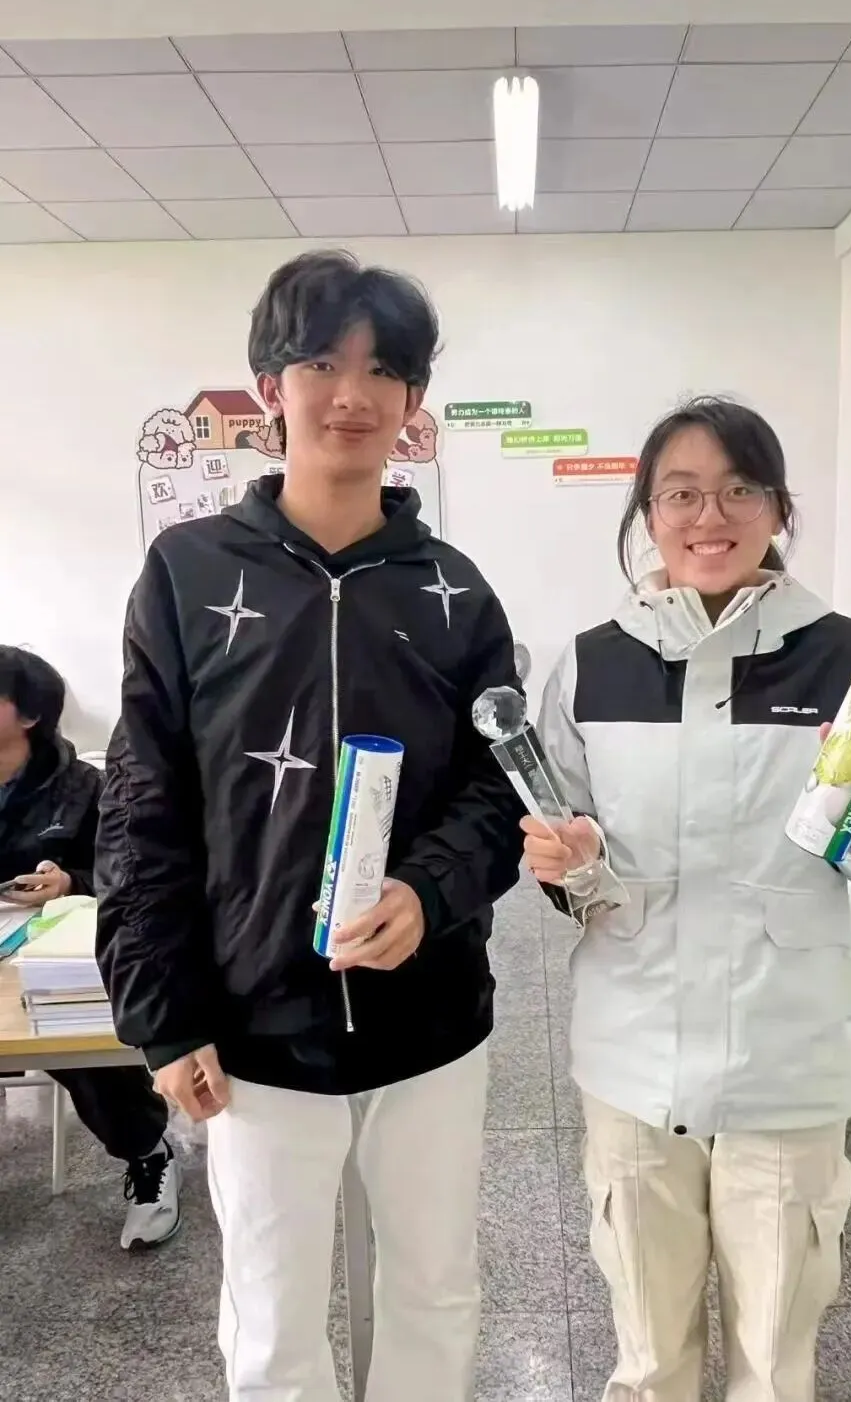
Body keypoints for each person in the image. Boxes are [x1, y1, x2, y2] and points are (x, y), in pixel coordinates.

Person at [95, 250, 524, 1402]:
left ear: (414, 400)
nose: (352, 394)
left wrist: (428, 891)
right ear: (269, 386)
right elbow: (141, 803)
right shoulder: (187, 574)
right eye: (323, 363)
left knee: (435, 1290)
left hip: (430, 1019)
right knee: (273, 1316)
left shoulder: (455, 591)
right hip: (254, 1027)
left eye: (383, 370)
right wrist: (162, 1014)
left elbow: (500, 789)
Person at [522, 397, 851, 1402]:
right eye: (681, 494)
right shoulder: (592, 661)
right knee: (648, 1357)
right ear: (647, 512)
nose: (709, 517)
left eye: (739, 490)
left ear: (778, 507)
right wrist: (568, 862)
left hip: (783, 1059)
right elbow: (565, 853)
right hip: (633, 1056)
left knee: (774, 1360)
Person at [0, 646, 177, 1250]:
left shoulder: (83, 788)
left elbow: (123, 876)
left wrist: (68, 882)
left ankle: (147, 1153)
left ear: (28, 715)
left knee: (84, 1046)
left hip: (55, 955)